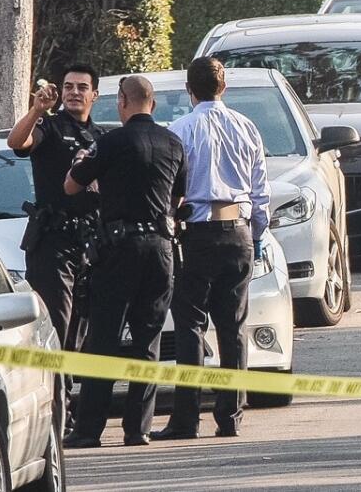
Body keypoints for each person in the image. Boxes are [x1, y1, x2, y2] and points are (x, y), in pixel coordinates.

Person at [61, 76, 187, 448]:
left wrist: (87, 169)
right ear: (154, 104)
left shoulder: (110, 142)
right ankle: (138, 429)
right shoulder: (173, 142)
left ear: (121, 102)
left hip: (119, 248)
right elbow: (177, 199)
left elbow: (71, 185)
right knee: (148, 339)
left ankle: (89, 431)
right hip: (161, 248)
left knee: (104, 338)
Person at [152, 58, 270, 440]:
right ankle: (230, 416)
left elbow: (170, 189)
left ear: (190, 90)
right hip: (237, 230)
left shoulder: (179, 130)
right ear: (224, 88)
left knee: (189, 325)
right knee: (232, 326)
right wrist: (256, 235)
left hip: (196, 233)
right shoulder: (247, 127)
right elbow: (260, 192)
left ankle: (186, 419)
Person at [6, 64, 104, 425]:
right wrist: (35, 110)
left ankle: (70, 400)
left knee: (82, 329)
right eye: (68, 87)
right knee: (58, 326)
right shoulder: (49, 126)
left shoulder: (99, 136)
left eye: (82, 87)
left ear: (95, 94)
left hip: (90, 243)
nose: (74, 92)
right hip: (54, 243)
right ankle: (58, 410)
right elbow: (18, 143)